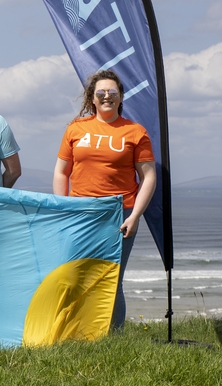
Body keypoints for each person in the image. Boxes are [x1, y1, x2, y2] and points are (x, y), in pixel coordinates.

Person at [52, 69, 156, 330]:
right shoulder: (76, 129)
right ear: (92, 98)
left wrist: (134, 216)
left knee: (111, 279)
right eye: (101, 93)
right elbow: (61, 172)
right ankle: (74, 330)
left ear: (121, 97)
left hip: (119, 214)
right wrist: (63, 208)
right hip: (80, 212)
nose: (107, 96)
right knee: (74, 274)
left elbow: (149, 177)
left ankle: (112, 338)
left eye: (113, 92)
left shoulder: (135, 132)